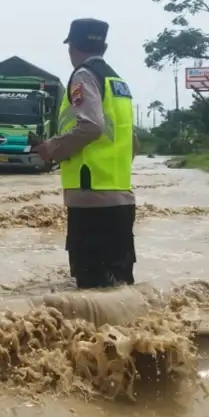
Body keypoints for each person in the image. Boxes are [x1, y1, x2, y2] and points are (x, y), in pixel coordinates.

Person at [34, 18, 137, 289]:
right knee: (119, 286)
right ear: (103, 46)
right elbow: (131, 140)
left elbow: (91, 126)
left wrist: (51, 148)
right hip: (121, 197)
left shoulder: (83, 76)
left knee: (90, 289)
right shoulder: (118, 82)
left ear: (72, 47)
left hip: (90, 195)